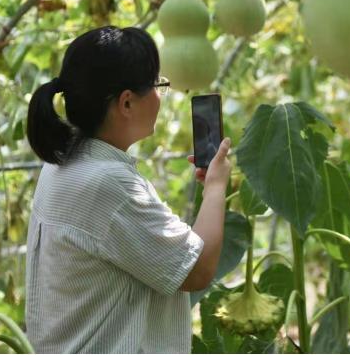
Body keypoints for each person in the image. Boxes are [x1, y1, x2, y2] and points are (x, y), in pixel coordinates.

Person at [24, 26, 231, 353]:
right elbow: (197, 269)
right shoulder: (109, 185)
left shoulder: (61, 165)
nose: (160, 95)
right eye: (157, 85)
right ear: (127, 103)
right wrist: (216, 187)